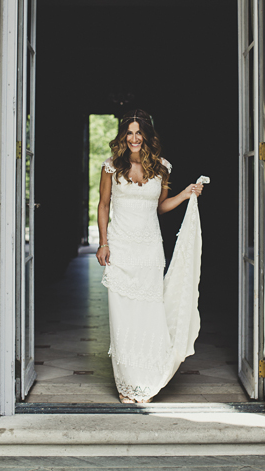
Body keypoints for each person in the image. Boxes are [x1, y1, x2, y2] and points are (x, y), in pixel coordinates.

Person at [96, 109, 206, 404]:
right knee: (123, 319)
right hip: (121, 250)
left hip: (149, 252)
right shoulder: (110, 168)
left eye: (138, 132)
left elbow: (160, 206)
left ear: (146, 135)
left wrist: (185, 195)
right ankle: (127, 384)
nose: (133, 138)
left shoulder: (162, 168)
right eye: (129, 133)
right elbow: (104, 206)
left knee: (147, 316)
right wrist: (103, 243)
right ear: (124, 136)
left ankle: (145, 380)